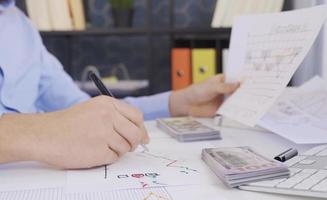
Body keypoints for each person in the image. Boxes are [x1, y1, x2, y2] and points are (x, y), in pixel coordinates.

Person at [0, 0, 239, 169]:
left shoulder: (20, 24)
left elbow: (89, 109)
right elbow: (60, 126)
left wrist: (179, 102)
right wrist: (40, 132)